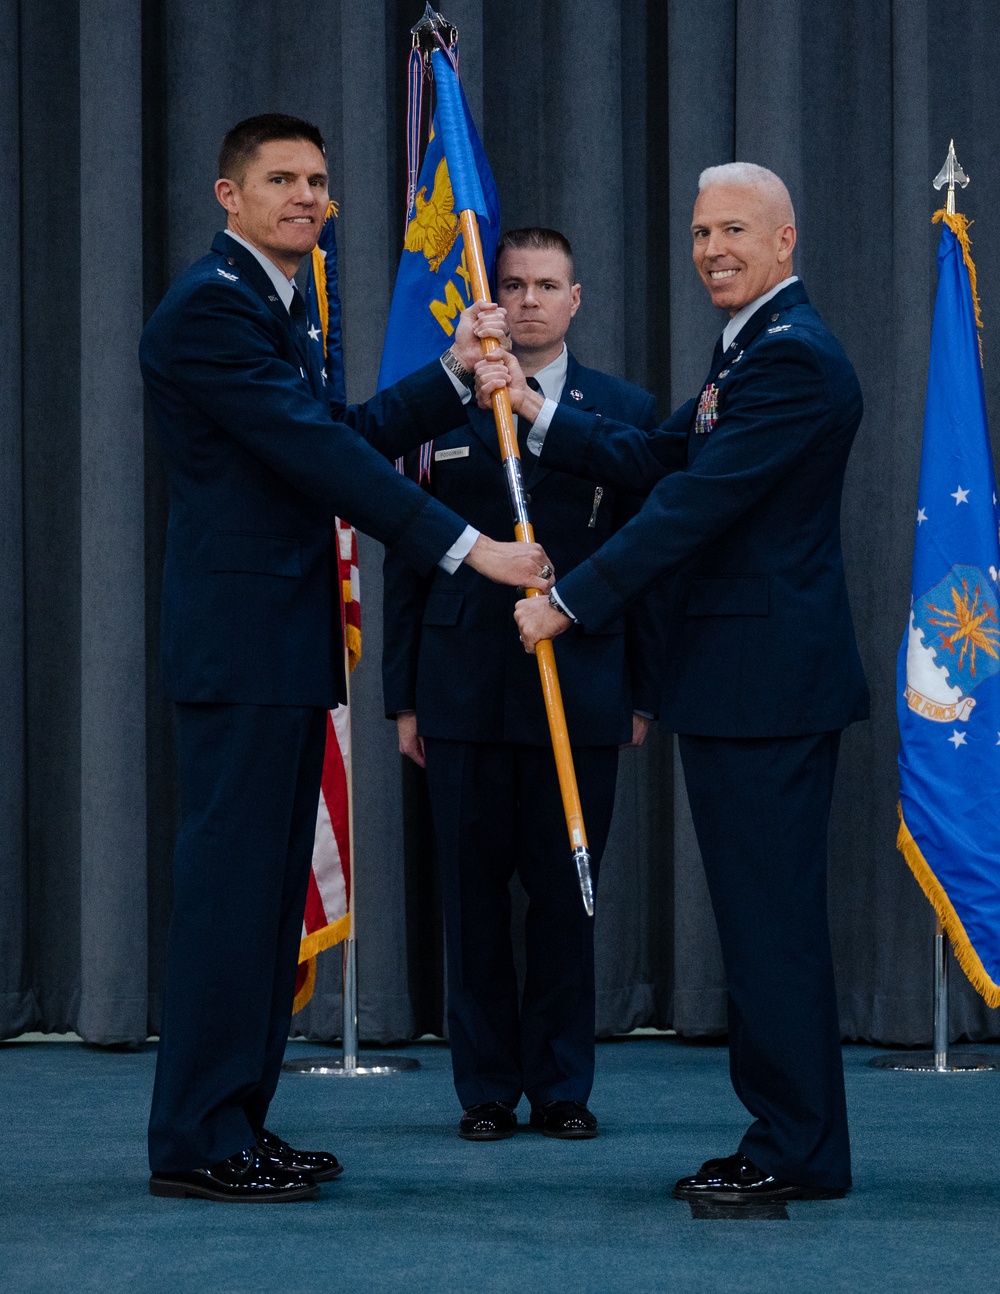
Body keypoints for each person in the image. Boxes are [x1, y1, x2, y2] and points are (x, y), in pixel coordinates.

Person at [139, 113, 553, 1204]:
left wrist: (455, 373)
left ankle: (238, 1119)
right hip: (238, 654)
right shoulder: (210, 312)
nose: (305, 197)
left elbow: (342, 429)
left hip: (280, 648)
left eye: (317, 180)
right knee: (231, 901)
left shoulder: (278, 307)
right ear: (227, 196)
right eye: (279, 179)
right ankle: (192, 1138)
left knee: (268, 905)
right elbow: (317, 451)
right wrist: (470, 551)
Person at [478, 165, 869, 1203]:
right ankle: (796, 1138)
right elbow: (661, 455)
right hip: (745, 682)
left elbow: (692, 506)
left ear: (786, 241)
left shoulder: (792, 361)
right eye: (700, 231)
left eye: (734, 229)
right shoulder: (749, 348)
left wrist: (571, 602)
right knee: (760, 922)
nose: (711, 249)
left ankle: (792, 1147)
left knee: (769, 925)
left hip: (768, 685)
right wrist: (535, 410)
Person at [382, 228, 658, 1142]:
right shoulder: (439, 409)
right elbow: (408, 562)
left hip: (580, 689)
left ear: (576, 299)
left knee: (567, 895)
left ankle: (564, 1085)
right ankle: (487, 1091)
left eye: (547, 285)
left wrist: (641, 691)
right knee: (472, 900)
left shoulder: (622, 410)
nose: (530, 300)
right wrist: (405, 698)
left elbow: (647, 554)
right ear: (489, 300)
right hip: (460, 690)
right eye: (513, 285)